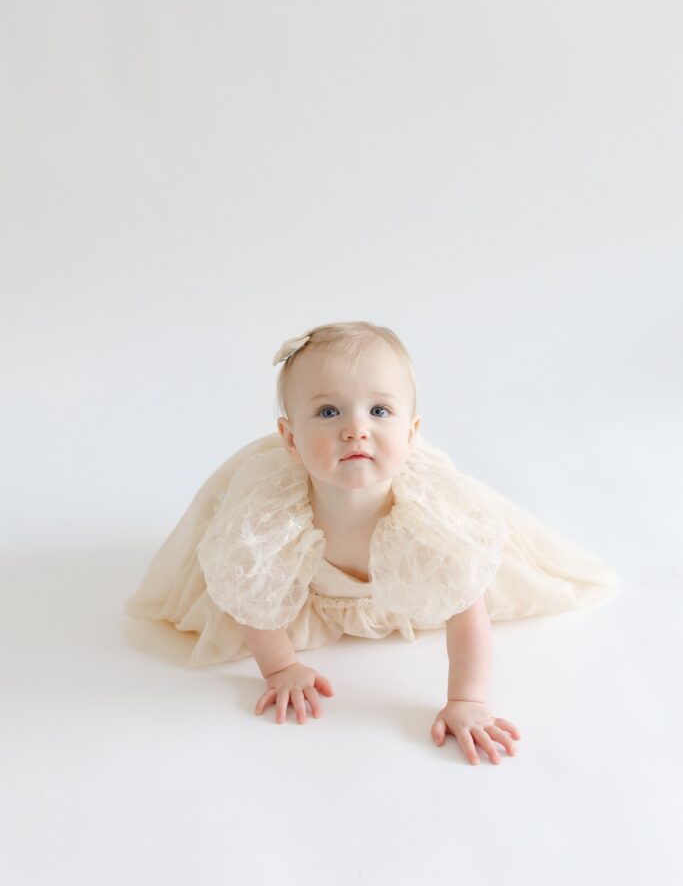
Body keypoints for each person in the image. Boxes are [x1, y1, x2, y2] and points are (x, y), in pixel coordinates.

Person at [122, 320, 620, 765]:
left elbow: (467, 610)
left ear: (411, 433)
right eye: (328, 411)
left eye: (379, 410)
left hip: (397, 579)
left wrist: (467, 700)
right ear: (290, 439)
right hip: (313, 592)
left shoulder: (430, 514)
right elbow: (253, 590)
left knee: (486, 580)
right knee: (247, 581)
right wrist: (281, 668)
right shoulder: (270, 514)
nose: (355, 429)